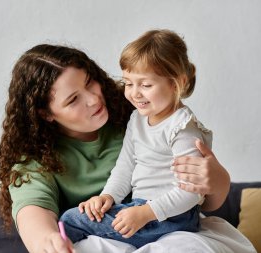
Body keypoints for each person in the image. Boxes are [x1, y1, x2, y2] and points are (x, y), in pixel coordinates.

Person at [0, 43, 247, 253]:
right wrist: (46, 240)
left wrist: (218, 179)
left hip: (173, 226)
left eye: (90, 82)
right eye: (73, 99)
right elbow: (34, 214)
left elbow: (203, 201)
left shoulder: (138, 113)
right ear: (46, 113)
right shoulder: (36, 159)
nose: (93, 99)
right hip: (110, 238)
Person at [59, 29, 211, 248]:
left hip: (172, 216)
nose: (135, 93)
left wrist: (145, 213)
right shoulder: (138, 119)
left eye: (146, 85)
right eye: (129, 83)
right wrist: (108, 196)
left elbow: (191, 192)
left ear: (177, 82)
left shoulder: (182, 128)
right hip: (142, 209)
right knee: (82, 216)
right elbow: (125, 167)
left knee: (71, 220)